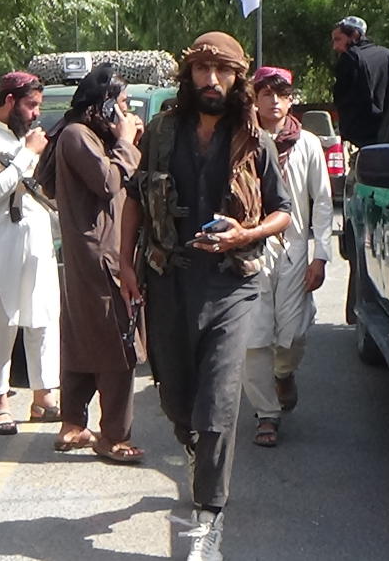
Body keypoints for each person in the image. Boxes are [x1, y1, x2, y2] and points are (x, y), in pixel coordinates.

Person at [119, 32, 291, 560]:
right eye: (201, 70)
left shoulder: (253, 139)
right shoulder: (164, 131)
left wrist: (246, 234)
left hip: (231, 283)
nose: (210, 80)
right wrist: (126, 265)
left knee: (218, 398)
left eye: (222, 71)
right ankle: (195, 449)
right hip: (168, 277)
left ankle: (209, 518)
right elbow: (133, 200)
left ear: (238, 78)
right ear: (189, 76)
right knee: (175, 396)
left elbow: (282, 211)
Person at [35, 63, 146, 462]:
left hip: (91, 251)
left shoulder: (80, 135)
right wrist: (127, 142)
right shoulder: (79, 135)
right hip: (100, 255)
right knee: (118, 340)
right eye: (122, 104)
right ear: (103, 106)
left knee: (82, 337)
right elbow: (108, 182)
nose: (127, 112)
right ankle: (113, 434)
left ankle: (72, 425)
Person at [0, 71, 61, 435]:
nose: (36, 113)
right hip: (1, 243)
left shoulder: (26, 137)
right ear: (8, 102)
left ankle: (43, 397)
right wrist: (27, 154)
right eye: (30, 105)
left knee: (44, 319)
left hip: (36, 238)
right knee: (3, 325)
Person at [242, 67, 333, 448]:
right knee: (254, 336)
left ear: (291, 98)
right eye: (266, 94)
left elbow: (323, 201)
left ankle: (283, 374)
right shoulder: (243, 140)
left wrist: (321, 255)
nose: (274, 101)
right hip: (252, 249)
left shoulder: (308, 143)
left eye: (281, 94)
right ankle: (266, 414)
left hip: (294, 248)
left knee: (292, 333)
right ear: (255, 98)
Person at [331, 16, 389, 147]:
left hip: (366, 140)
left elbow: (343, 99)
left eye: (338, 40)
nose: (335, 47)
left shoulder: (351, 58)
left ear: (354, 35)